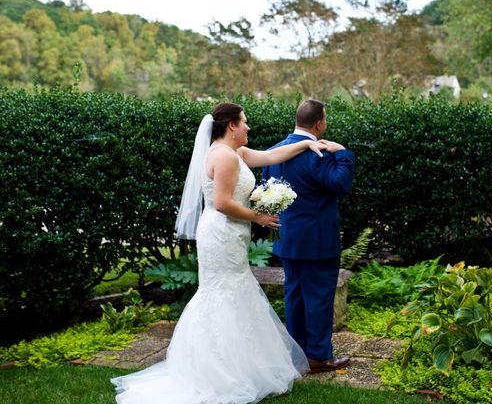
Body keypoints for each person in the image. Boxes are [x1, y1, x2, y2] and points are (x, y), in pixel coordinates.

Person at [112, 102, 332, 404]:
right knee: (221, 295)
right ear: (231, 125)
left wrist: (308, 143)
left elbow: (271, 155)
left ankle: (238, 366)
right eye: (244, 122)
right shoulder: (224, 157)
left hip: (230, 233)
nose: (248, 128)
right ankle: (218, 371)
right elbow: (222, 202)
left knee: (234, 292)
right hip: (222, 234)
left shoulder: (234, 153)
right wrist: (258, 217)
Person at [262, 99, 355, 374]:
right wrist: (344, 153)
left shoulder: (274, 152)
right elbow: (341, 184)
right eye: (325, 119)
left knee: (295, 295)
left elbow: (267, 193)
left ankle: (297, 353)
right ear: (319, 124)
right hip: (317, 240)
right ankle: (318, 356)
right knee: (319, 297)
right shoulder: (319, 153)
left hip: (288, 237)